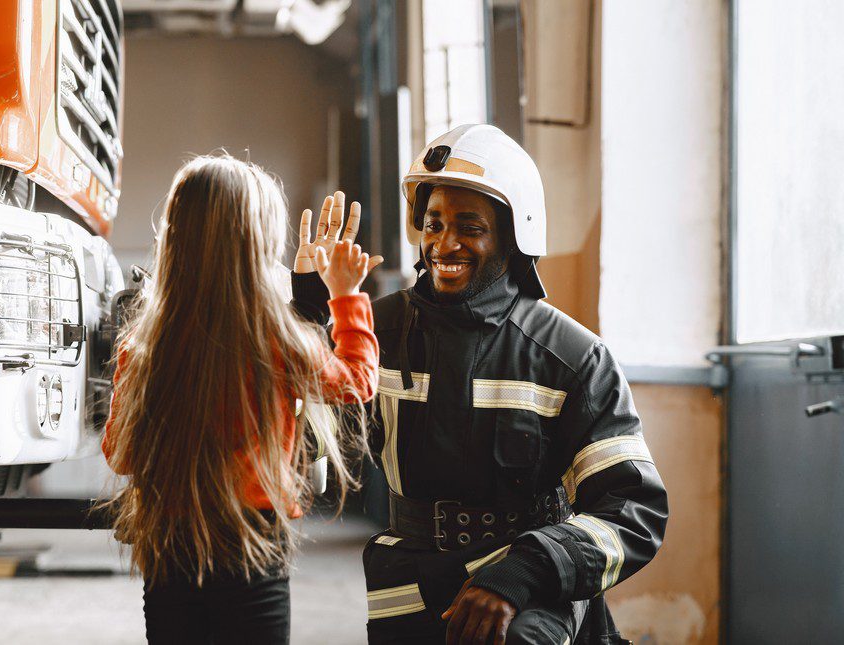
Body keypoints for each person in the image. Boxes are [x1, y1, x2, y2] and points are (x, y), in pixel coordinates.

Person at [292, 125, 668, 644]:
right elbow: (304, 451)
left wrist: (522, 573)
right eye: (434, 223)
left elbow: (633, 511)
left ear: (513, 235)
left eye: (469, 227)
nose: (445, 243)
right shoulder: (377, 333)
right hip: (408, 590)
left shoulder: (572, 358)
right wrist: (313, 314)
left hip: (531, 594)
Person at [101, 155, 381, 644]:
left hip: (169, 550)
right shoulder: (278, 341)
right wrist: (346, 295)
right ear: (256, 248)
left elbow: (120, 456)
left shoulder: (142, 347)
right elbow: (356, 380)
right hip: (254, 549)